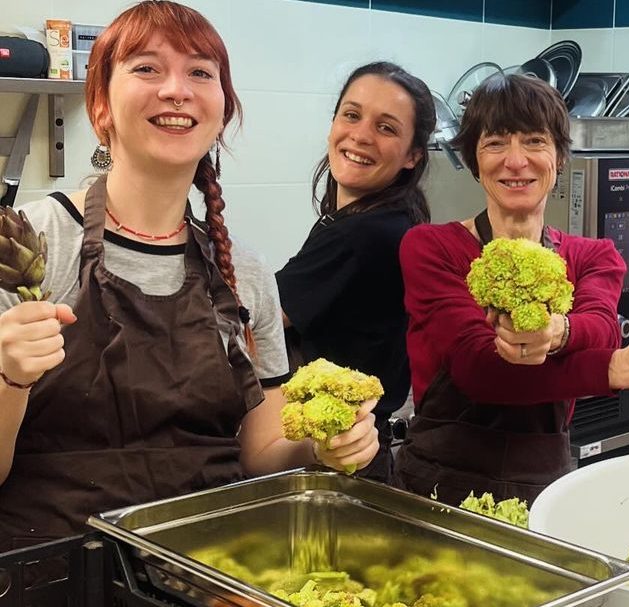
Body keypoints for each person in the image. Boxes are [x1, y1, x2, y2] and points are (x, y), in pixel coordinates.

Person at [0, 1, 377, 551]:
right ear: (102, 105)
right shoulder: (28, 243)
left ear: (222, 112)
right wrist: (9, 378)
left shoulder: (242, 271)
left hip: (203, 567)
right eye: (147, 68)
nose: (177, 89)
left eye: (201, 72)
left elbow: (261, 451)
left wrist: (323, 444)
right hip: (53, 570)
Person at [393, 73, 629, 506]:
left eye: (535, 141)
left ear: (560, 157)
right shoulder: (432, 247)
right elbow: (479, 371)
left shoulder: (594, 255)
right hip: (433, 486)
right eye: (496, 143)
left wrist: (558, 332)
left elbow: (601, 328)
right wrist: (613, 370)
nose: (516, 161)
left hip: (543, 487)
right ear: (474, 160)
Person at [276, 62, 435, 484]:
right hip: (357, 447)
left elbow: (260, 318)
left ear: (413, 155)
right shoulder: (388, 218)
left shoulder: (366, 233)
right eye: (351, 114)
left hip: (342, 453)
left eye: (386, 128)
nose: (361, 135)